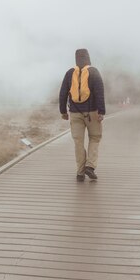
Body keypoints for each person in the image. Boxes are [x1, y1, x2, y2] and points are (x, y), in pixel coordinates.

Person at [59, 48, 105, 182]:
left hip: (74, 113)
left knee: (78, 142)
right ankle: (90, 166)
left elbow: (63, 94)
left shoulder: (69, 73)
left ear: (76, 58)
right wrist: (101, 112)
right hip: (92, 113)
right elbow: (99, 93)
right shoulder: (94, 72)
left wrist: (63, 112)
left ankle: (80, 172)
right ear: (88, 58)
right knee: (95, 138)